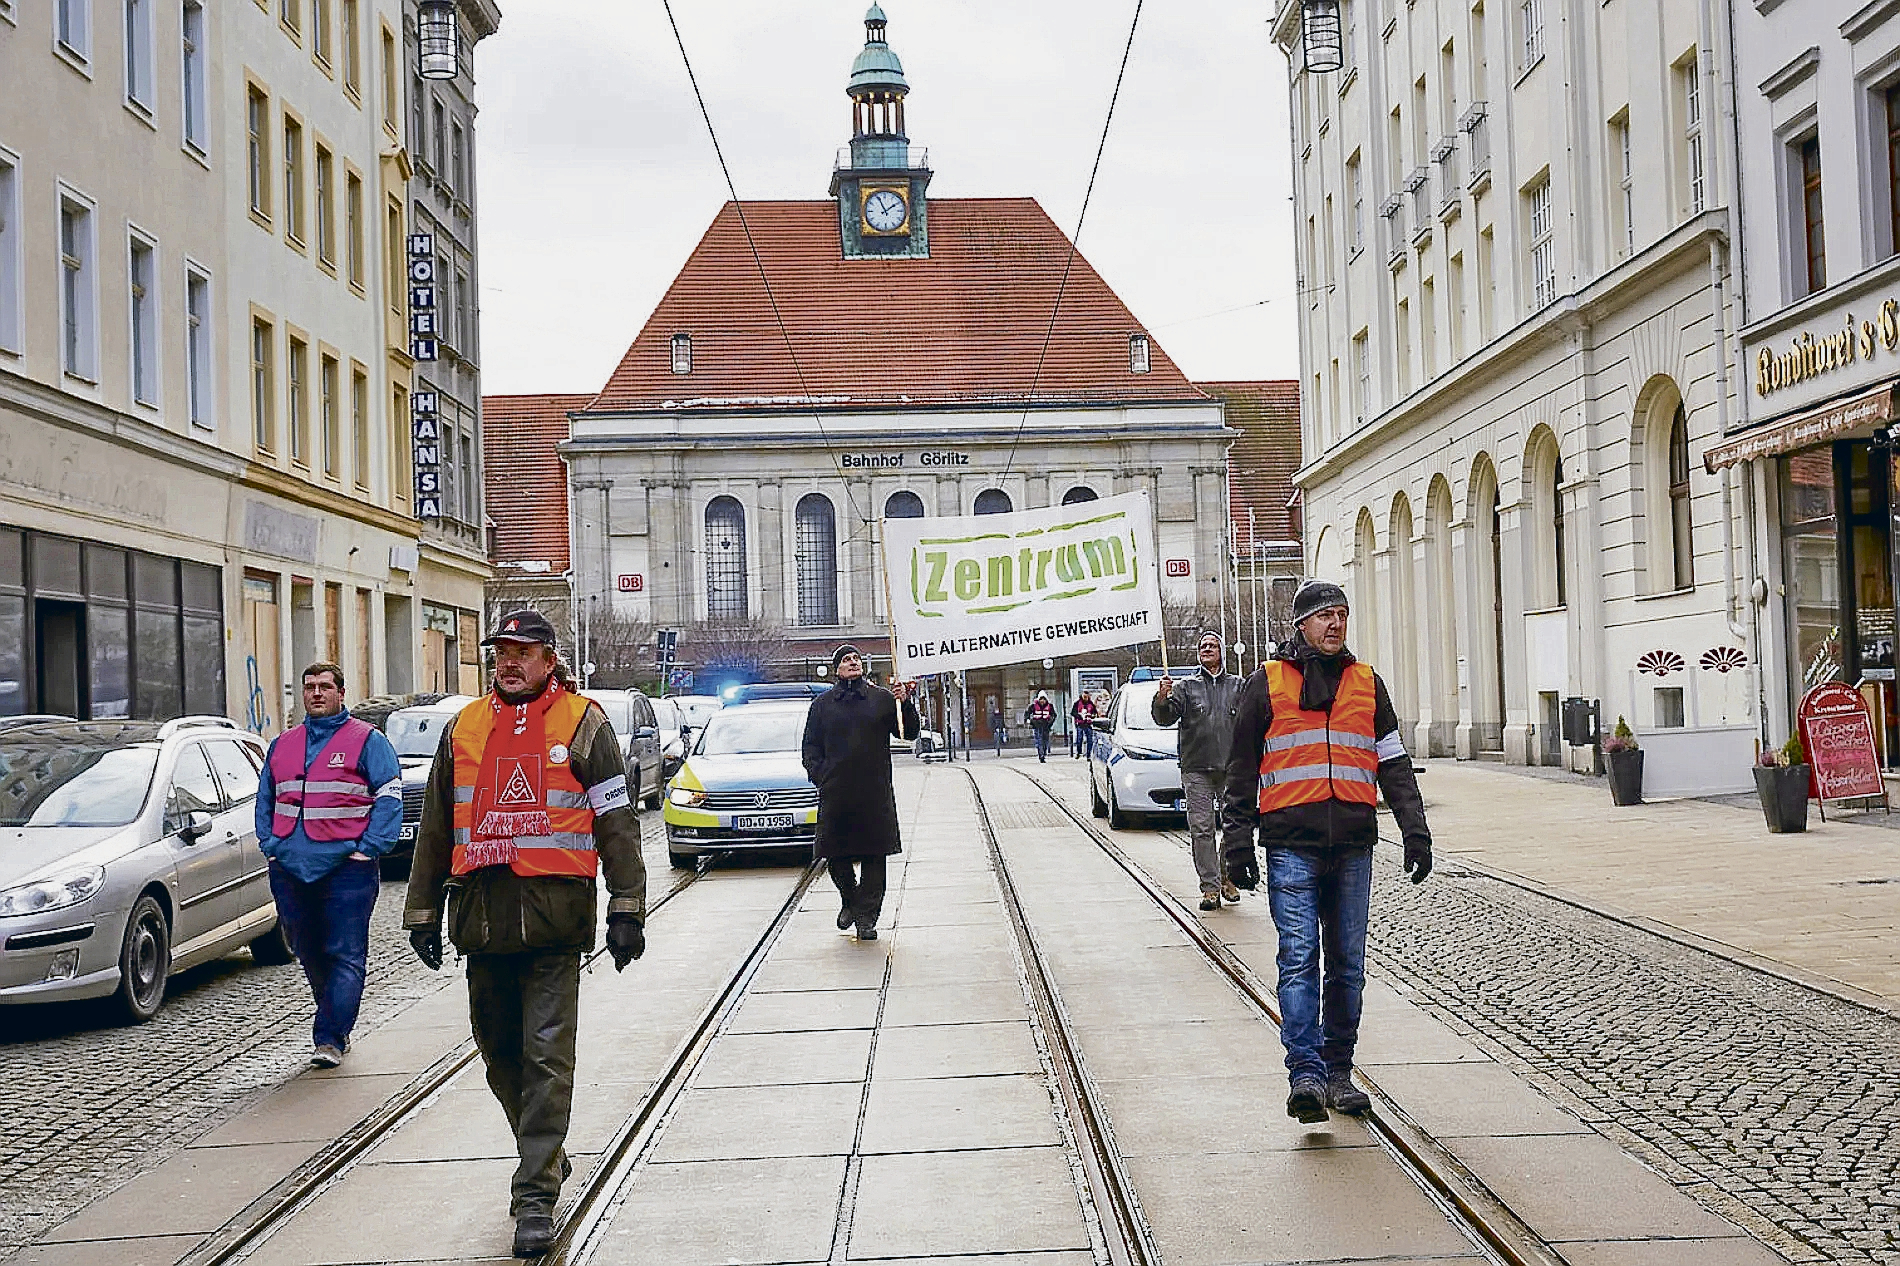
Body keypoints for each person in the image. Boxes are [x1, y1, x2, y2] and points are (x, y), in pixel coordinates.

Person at [403, 609, 647, 1258]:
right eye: (500, 651)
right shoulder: (464, 728)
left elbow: (616, 821)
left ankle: (534, 1195)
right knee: (499, 1055)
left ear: (549, 658)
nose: (508, 661)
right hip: (480, 922)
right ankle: (547, 1154)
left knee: (545, 1056)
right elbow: (434, 826)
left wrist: (626, 904)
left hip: (553, 922)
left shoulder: (584, 723)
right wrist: (422, 911)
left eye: (522, 651)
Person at [1223, 580, 1433, 1125]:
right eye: (1322, 617)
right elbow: (1242, 768)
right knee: (1298, 960)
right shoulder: (1266, 684)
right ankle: (1307, 1075)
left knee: (1348, 967)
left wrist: (1415, 829)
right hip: (1292, 845)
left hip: (1353, 846)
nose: (1334, 624)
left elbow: (1393, 762)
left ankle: (1339, 1071)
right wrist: (1236, 841)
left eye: (1341, 614)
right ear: (1300, 627)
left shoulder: (1367, 684)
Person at [256, 663, 404, 1068]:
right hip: (290, 868)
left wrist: (368, 848)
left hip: (347, 869)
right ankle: (334, 1019)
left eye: (325, 687)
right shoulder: (283, 744)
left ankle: (330, 1036)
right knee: (308, 950)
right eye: (309, 687)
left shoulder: (367, 741)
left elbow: (390, 798)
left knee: (344, 952)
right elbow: (265, 798)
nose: (316, 693)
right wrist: (271, 845)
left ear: (342, 692)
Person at [802, 644, 919, 940]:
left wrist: (905, 703)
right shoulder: (822, 705)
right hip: (837, 792)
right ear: (836, 669)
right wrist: (821, 776)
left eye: (855, 658)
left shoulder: (881, 699)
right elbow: (810, 748)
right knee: (835, 857)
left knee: (874, 859)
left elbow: (908, 733)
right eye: (845, 659)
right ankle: (850, 900)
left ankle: (867, 918)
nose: (852, 662)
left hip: (874, 792)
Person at [1153, 632, 1244, 912]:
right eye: (1202, 646)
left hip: (1231, 768)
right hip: (1196, 768)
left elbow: (1251, 721)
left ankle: (1226, 875)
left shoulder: (1238, 686)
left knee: (1234, 827)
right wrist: (1161, 698)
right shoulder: (1186, 687)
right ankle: (1210, 888)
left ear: (1222, 652)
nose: (1206, 649)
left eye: (1212, 646)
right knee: (1202, 829)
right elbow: (1165, 718)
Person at [1027, 691, 1057, 762]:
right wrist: (1030, 721)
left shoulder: (1050, 706)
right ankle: (1041, 755)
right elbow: (1027, 714)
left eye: (1043, 699)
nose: (1042, 701)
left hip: (1046, 725)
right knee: (1039, 740)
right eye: (1041, 699)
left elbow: (1054, 715)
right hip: (1037, 725)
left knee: (1045, 740)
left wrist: (1050, 722)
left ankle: (1044, 752)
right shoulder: (1033, 706)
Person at [1071, 690, 1098, 758]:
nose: (1085, 698)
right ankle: (1079, 752)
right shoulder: (1077, 703)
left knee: (1090, 740)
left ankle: (1088, 754)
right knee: (1079, 738)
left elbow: (1095, 712)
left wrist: (1093, 716)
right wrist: (1079, 716)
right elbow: (1073, 713)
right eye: (1084, 696)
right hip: (1080, 724)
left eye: (1087, 697)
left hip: (1088, 724)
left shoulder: (1091, 704)